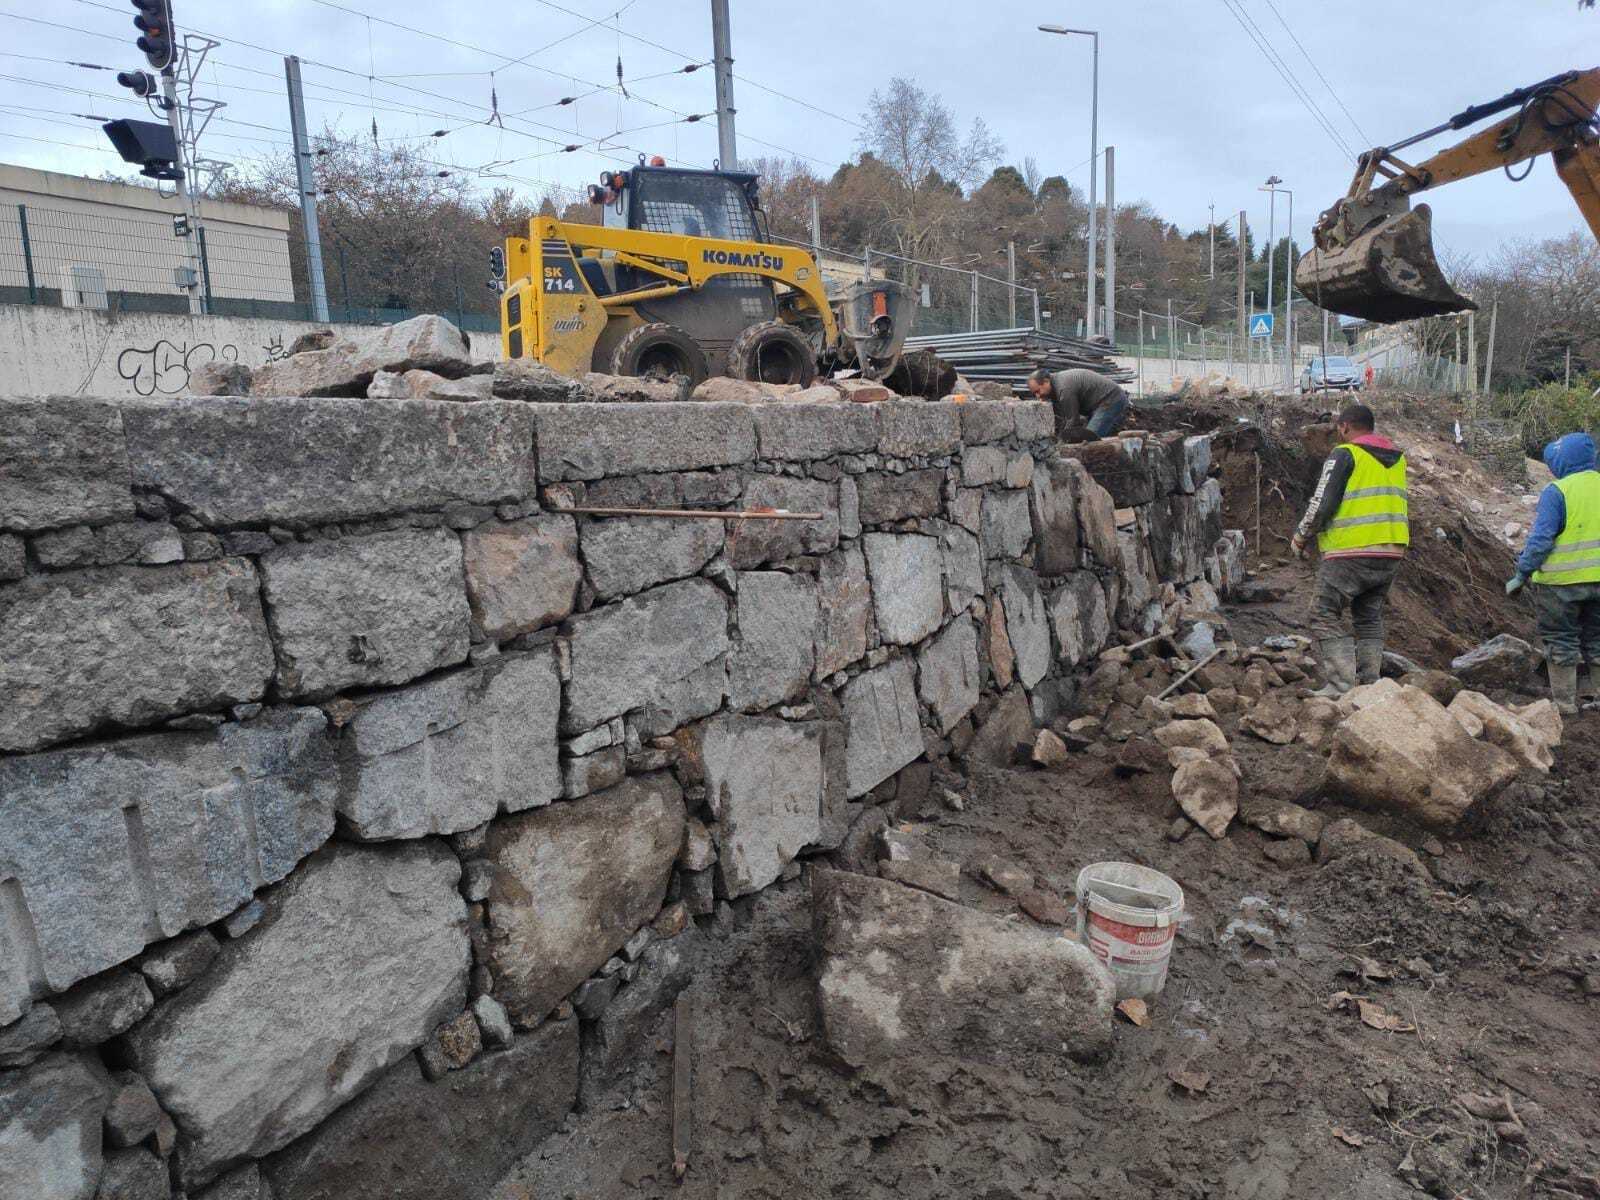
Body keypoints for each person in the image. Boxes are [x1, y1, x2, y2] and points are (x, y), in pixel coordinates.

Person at [1290, 402, 1409, 695]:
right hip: (1391, 550)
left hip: (1351, 549)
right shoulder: (1398, 459)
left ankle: (1341, 685)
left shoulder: (1345, 454)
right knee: (1368, 616)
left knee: (1322, 612)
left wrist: (1302, 536)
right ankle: (1369, 683)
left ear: (1344, 427)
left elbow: (1323, 502)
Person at [1505, 432, 1600, 715]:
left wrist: (1522, 573)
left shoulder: (1557, 492)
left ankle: (1565, 705)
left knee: (1561, 641)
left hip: (1560, 586)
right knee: (1597, 640)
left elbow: (1541, 540)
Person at [1025, 367, 1129, 439]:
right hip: (1098, 403)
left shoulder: (1063, 389)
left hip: (1111, 399)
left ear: (1046, 381)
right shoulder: (1055, 387)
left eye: (1038, 391)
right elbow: (1063, 418)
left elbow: (1072, 421)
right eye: (1034, 394)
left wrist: (1061, 443)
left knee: (1089, 438)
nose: (1038, 396)